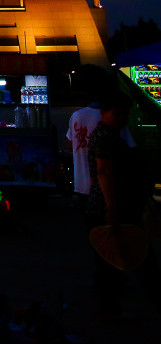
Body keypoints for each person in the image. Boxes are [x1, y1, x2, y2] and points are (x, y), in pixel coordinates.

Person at [84, 90, 161, 320]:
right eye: (116, 114)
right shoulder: (105, 136)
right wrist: (112, 208)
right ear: (103, 112)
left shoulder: (112, 133)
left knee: (114, 265)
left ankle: (110, 310)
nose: (121, 119)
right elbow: (104, 172)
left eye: (124, 114)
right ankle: (113, 310)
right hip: (112, 210)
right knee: (140, 262)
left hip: (115, 207)